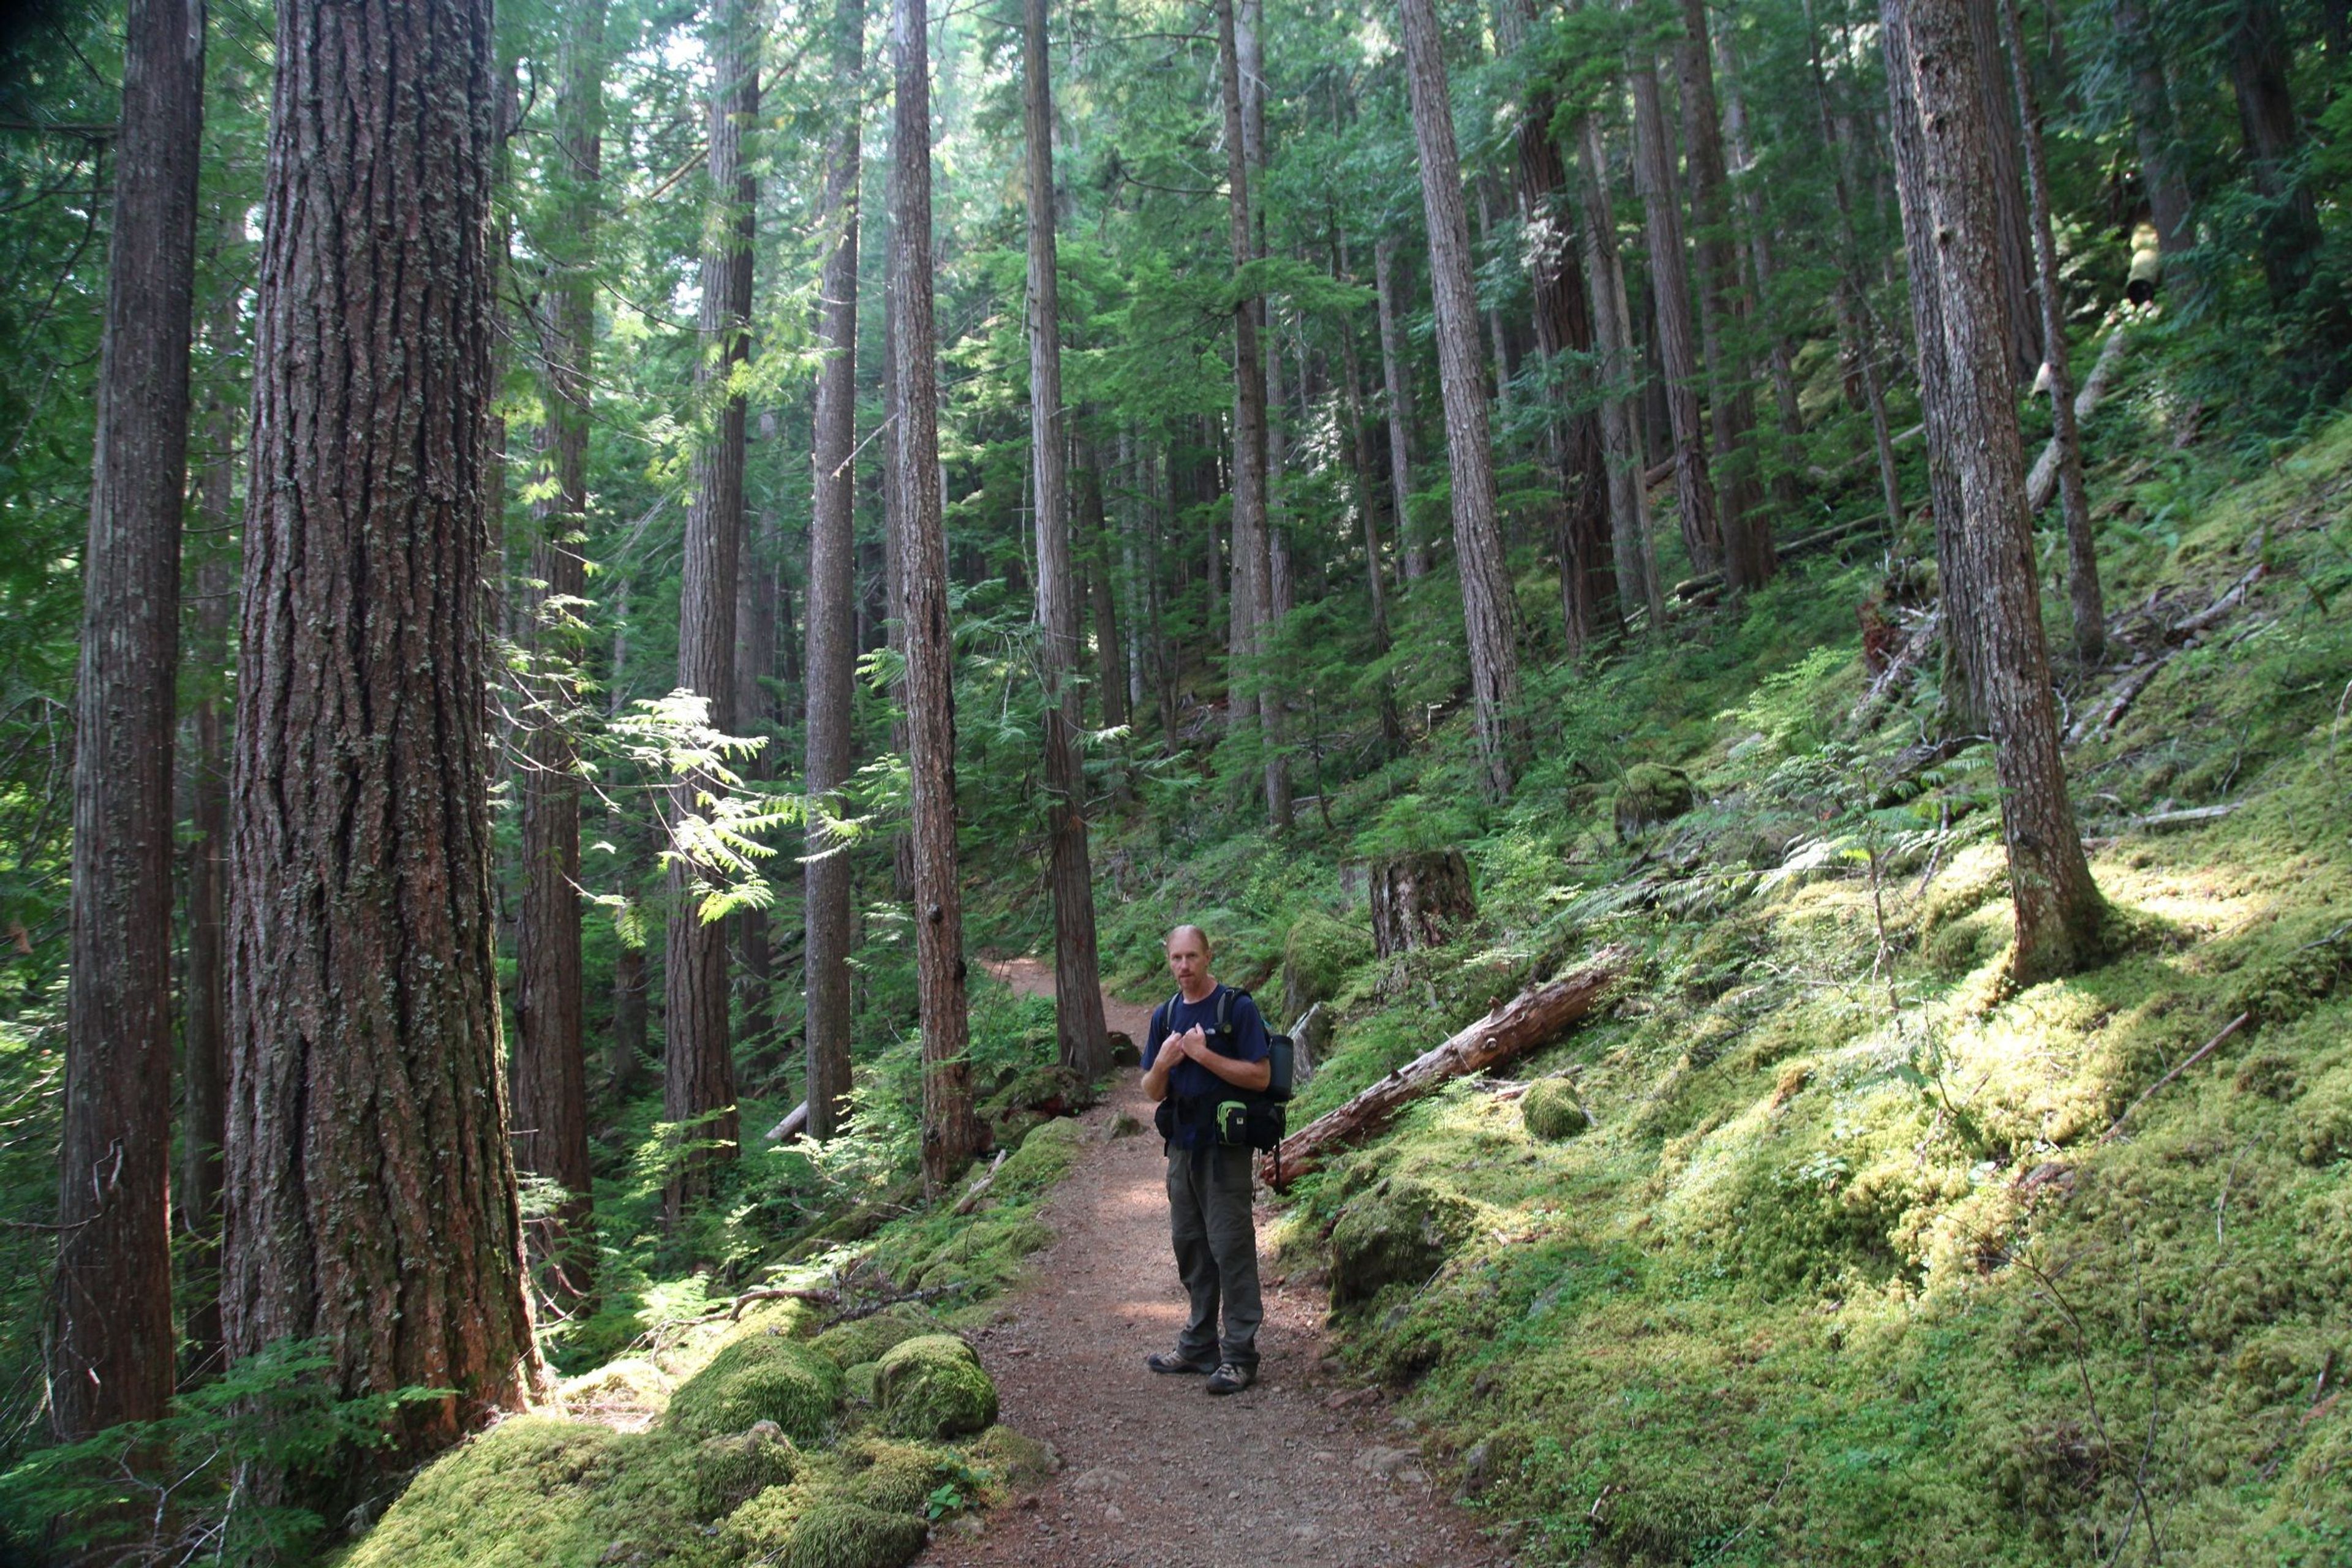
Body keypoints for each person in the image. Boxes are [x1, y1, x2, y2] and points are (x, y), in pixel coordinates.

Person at [1140, 924, 1270, 1394]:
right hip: (1182, 1148)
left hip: (1225, 1150)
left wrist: (1203, 1054)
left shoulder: (1236, 1009)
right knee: (1190, 1245)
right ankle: (1199, 1344)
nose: (1184, 967)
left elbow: (1259, 1077)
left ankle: (1239, 1354)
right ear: (1168, 959)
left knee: (1230, 1246)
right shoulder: (1165, 1015)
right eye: (1176, 958)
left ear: (1208, 956)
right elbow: (1151, 1090)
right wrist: (1164, 1064)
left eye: (1192, 956)